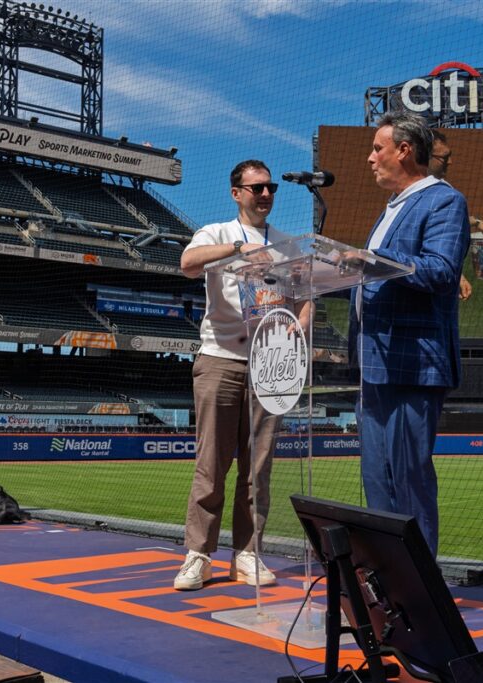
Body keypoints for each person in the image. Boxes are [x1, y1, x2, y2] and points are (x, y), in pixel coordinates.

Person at [175, 160, 312, 591]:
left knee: (258, 466)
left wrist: (297, 330)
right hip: (220, 357)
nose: (266, 194)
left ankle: (248, 554)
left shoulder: (288, 244)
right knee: (211, 464)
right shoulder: (216, 232)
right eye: (257, 188)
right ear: (237, 193)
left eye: (270, 187)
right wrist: (237, 249)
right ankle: (199, 555)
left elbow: (305, 296)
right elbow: (188, 263)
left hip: (271, 363)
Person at [351, 113, 470, 555]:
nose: (370, 158)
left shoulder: (443, 200)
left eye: (377, 148)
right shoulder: (391, 207)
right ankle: (385, 574)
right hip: (373, 361)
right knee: (376, 479)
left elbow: (440, 270)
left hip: (412, 361)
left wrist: (370, 259)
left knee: (408, 477)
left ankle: (419, 581)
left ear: (404, 150)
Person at [427, 130, 483, 302]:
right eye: (444, 157)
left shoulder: (438, 188)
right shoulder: (437, 193)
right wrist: (457, 275)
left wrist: (477, 222)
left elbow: (442, 226)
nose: (450, 161)